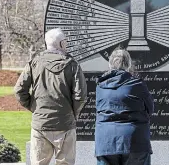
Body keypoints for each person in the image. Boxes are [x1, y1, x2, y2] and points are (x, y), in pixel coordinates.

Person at [14, 28, 87, 165]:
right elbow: (80, 96)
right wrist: (73, 113)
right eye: (65, 41)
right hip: (65, 124)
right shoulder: (72, 65)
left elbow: (19, 90)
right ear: (61, 44)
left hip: (41, 125)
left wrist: (34, 108)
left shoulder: (34, 63)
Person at [95, 49, 154, 165]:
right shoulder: (138, 85)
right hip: (135, 141)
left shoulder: (100, 86)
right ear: (128, 64)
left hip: (106, 141)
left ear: (110, 64)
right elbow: (150, 109)